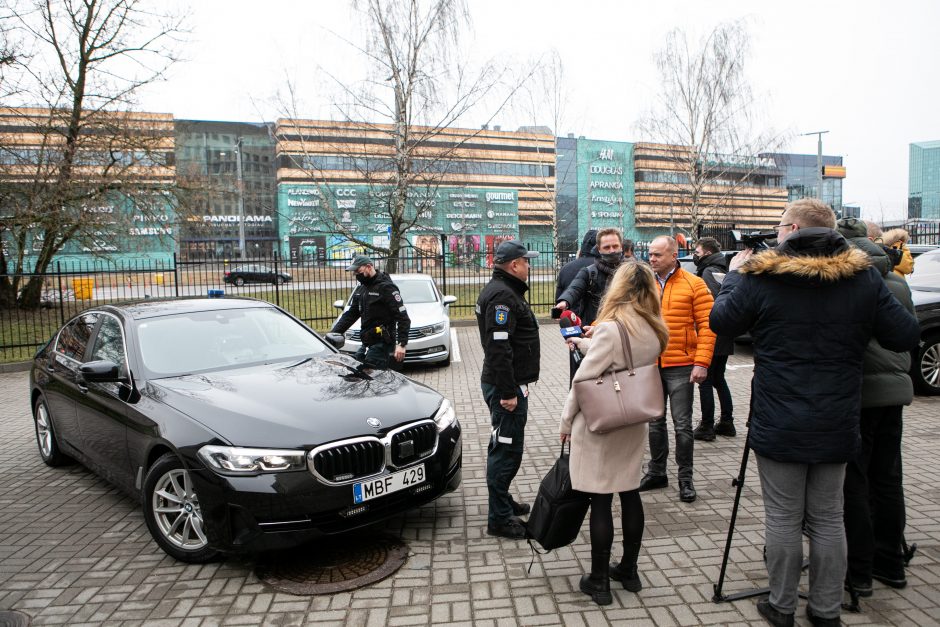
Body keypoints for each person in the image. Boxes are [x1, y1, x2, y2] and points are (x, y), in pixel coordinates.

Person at [710, 200, 919, 627]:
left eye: (780, 226)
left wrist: (733, 277)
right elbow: (904, 335)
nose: (777, 232)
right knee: (828, 518)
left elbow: (722, 322)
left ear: (793, 228)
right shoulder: (862, 277)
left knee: (784, 518)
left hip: (778, 417)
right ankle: (825, 612)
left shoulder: (761, 275)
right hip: (838, 416)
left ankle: (781, 607)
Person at [559, 261, 669, 605]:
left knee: (601, 498)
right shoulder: (654, 327)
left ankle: (599, 580)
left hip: (601, 421)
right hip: (632, 418)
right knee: (630, 491)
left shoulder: (611, 328)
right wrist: (586, 344)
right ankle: (629, 570)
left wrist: (565, 422)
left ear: (617, 288)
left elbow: (583, 381)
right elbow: (624, 361)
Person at [836, 218, 916, 596]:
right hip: (895, 392)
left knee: (856, 482)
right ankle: (892, 564)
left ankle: (860, 572)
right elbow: (906, 333)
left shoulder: (849, 281)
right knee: (888, 479)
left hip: (861, 393)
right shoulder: (896, 278)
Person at [639, 235, 715, 503]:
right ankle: (657, 472)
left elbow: (708, 326)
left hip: (681, 366)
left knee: (682, 425)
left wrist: (702, 362)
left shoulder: (695, 284)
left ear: (674, 256)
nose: (652, 259)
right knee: (655, 423)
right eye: (650, 253)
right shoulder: (644, 285)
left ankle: (686, 478)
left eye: (658, 255)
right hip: (650, 364)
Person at [476, 240, 542, 539]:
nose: (529, 265)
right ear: (514, 265)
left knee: (504, 447)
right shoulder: (503, 295)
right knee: (506, 451)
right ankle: (499, 520)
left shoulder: (505, 290)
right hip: (506, 386)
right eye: (526, 261)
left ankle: (503, 503)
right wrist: (507, 393)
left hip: (509, 383)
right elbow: (498, 348)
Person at [691, 237, 736, 441]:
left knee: (706, 381)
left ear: (707, 253)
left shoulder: (708, 272)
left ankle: (707, 426)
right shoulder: (723, 269)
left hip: (713, 332)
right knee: (718, 378)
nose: (695, 255)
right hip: (725, 332)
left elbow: (710, 305)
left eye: (697, 251)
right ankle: (727, 422)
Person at [330, 255, 410, 369]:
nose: (356, 275)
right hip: (367, 342)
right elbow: (351, 314)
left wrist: (402, 344)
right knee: (352, 370)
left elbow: (403, 318)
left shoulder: (386, 288)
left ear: (368, 267)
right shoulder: (361, 289)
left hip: (382, 344)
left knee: (369, 374)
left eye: (358, 271)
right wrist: (333, 334)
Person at [555, 227, 627, 327]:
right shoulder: (589, 271)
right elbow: (575, 288)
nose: (612, 251)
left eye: (615, 246)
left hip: (625, 329)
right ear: (598, 249)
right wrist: (565, 301)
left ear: (621, 246)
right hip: (594, 330)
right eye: (607, 247)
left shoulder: (633, 271)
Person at [555, 229, 598, 310]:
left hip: (570, 318)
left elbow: (559, 299)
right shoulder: (601, 267)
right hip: (596, 319)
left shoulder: (565, 268)